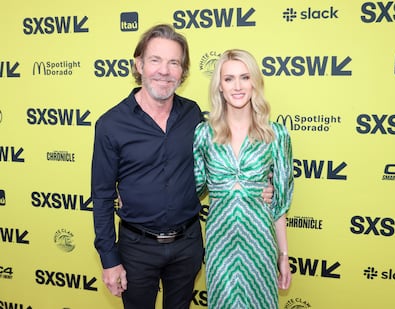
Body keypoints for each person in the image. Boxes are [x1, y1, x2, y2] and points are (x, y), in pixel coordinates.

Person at [91, 25, 273, 309]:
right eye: (155, 60)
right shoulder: (111, 124)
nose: (164, 71)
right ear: (138, 64)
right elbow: (101, 196)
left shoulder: (195, 117)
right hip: (137, 248)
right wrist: (109, 259)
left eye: (174, 62)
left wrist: (259, 186)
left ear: (183, 72)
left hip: (187, 245)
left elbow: (225, 160)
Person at [193, 49, 294, 309]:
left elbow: (280, 205)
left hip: (259, 240)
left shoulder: (276, 135)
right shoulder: (204, 134)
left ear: (254, 83)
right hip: (219, 241)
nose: (237, 86)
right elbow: (193, 186)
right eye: (228, 79)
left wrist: (283, 255)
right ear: (220, 87)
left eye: (244, 77)